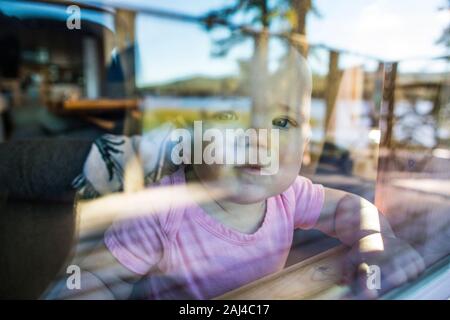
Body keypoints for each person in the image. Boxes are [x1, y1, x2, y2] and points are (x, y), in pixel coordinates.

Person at [48, 52, 424, 300]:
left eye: (282, 122)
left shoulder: (289, 195)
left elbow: (349, 208)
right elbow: (95, 280)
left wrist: (376, 240)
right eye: (230, 117)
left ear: (305, 141)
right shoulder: (163, 209)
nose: (258, 139)